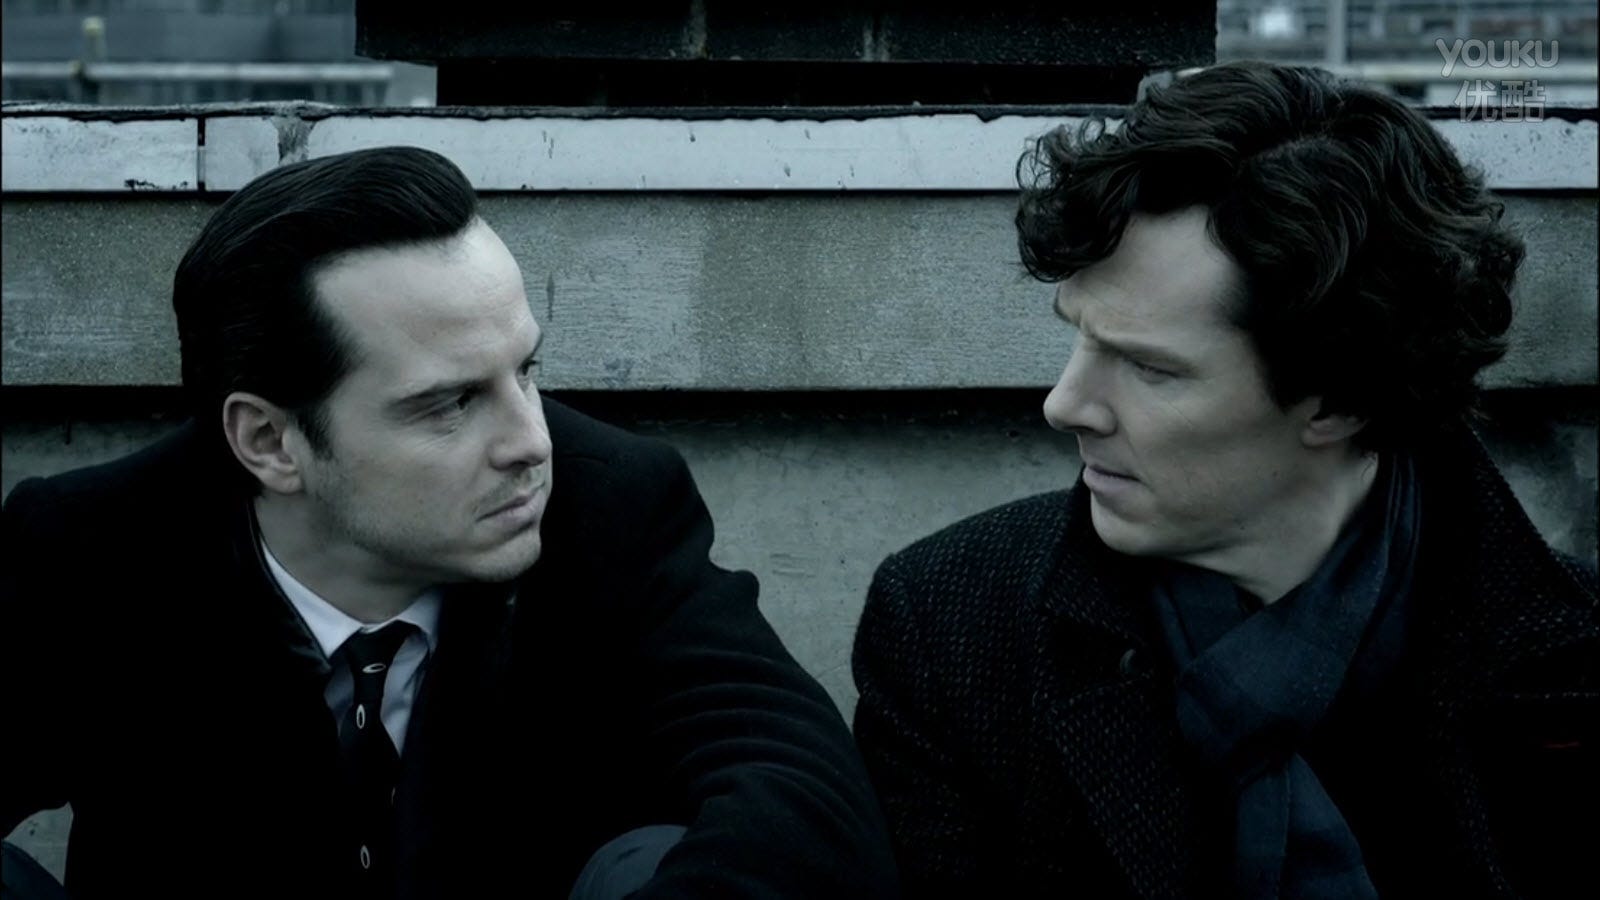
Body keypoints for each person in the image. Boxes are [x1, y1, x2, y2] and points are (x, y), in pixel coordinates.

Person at [1, 146, 897, 900]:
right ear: (270, 441)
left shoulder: (610, 506)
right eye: (450, 404)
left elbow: (807, 800)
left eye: (526, 371)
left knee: (651, 858)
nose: (529, 442)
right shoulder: (95, 549)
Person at [851, 61, 1596, 898]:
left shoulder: (1569, 662)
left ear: (1340, 399)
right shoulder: (951, 629)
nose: (1065, 405)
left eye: (1150, 368)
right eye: (1081, 336)